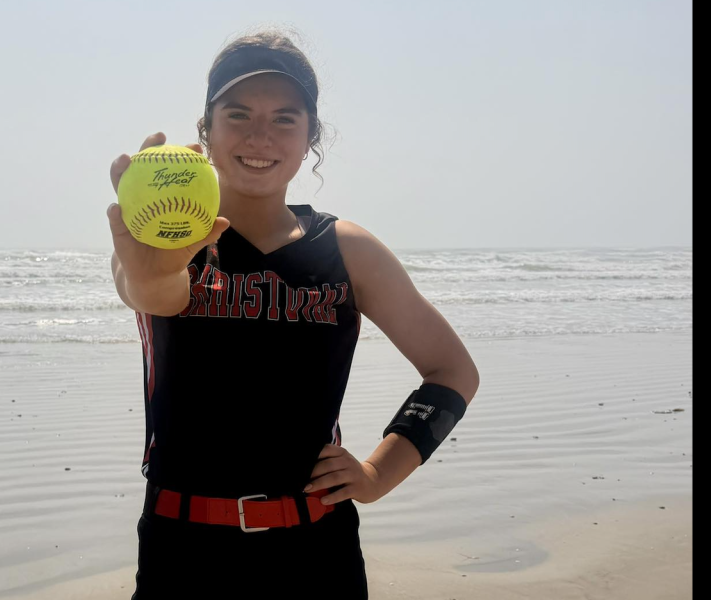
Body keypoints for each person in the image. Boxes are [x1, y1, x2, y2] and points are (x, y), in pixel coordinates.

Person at [106, 29, 480, 599]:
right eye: (238, 114)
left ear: (310, 137)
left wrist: (379, 473)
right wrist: (154, 270)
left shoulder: (348, 250)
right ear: (206, 130)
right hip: (183, 550)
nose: (260, 135)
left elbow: (453, 371)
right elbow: (156, 293)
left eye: (285, 118)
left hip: (316, 550)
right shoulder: (159, 239)